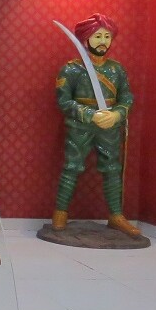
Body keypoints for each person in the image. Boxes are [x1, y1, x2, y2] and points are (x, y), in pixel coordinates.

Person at [52, 13, 140, 237]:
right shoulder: (71, 70)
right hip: (80, 126)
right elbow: (64, 101)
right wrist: (89, 114)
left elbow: (127, 98)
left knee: (112, 169)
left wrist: (117, 115)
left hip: (109, 126)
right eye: (98, 35)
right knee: (72, 167)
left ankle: (116, 215)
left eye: (107, 36)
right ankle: (60, 212)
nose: (103, 41)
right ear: (86, 39)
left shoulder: (117, 70)